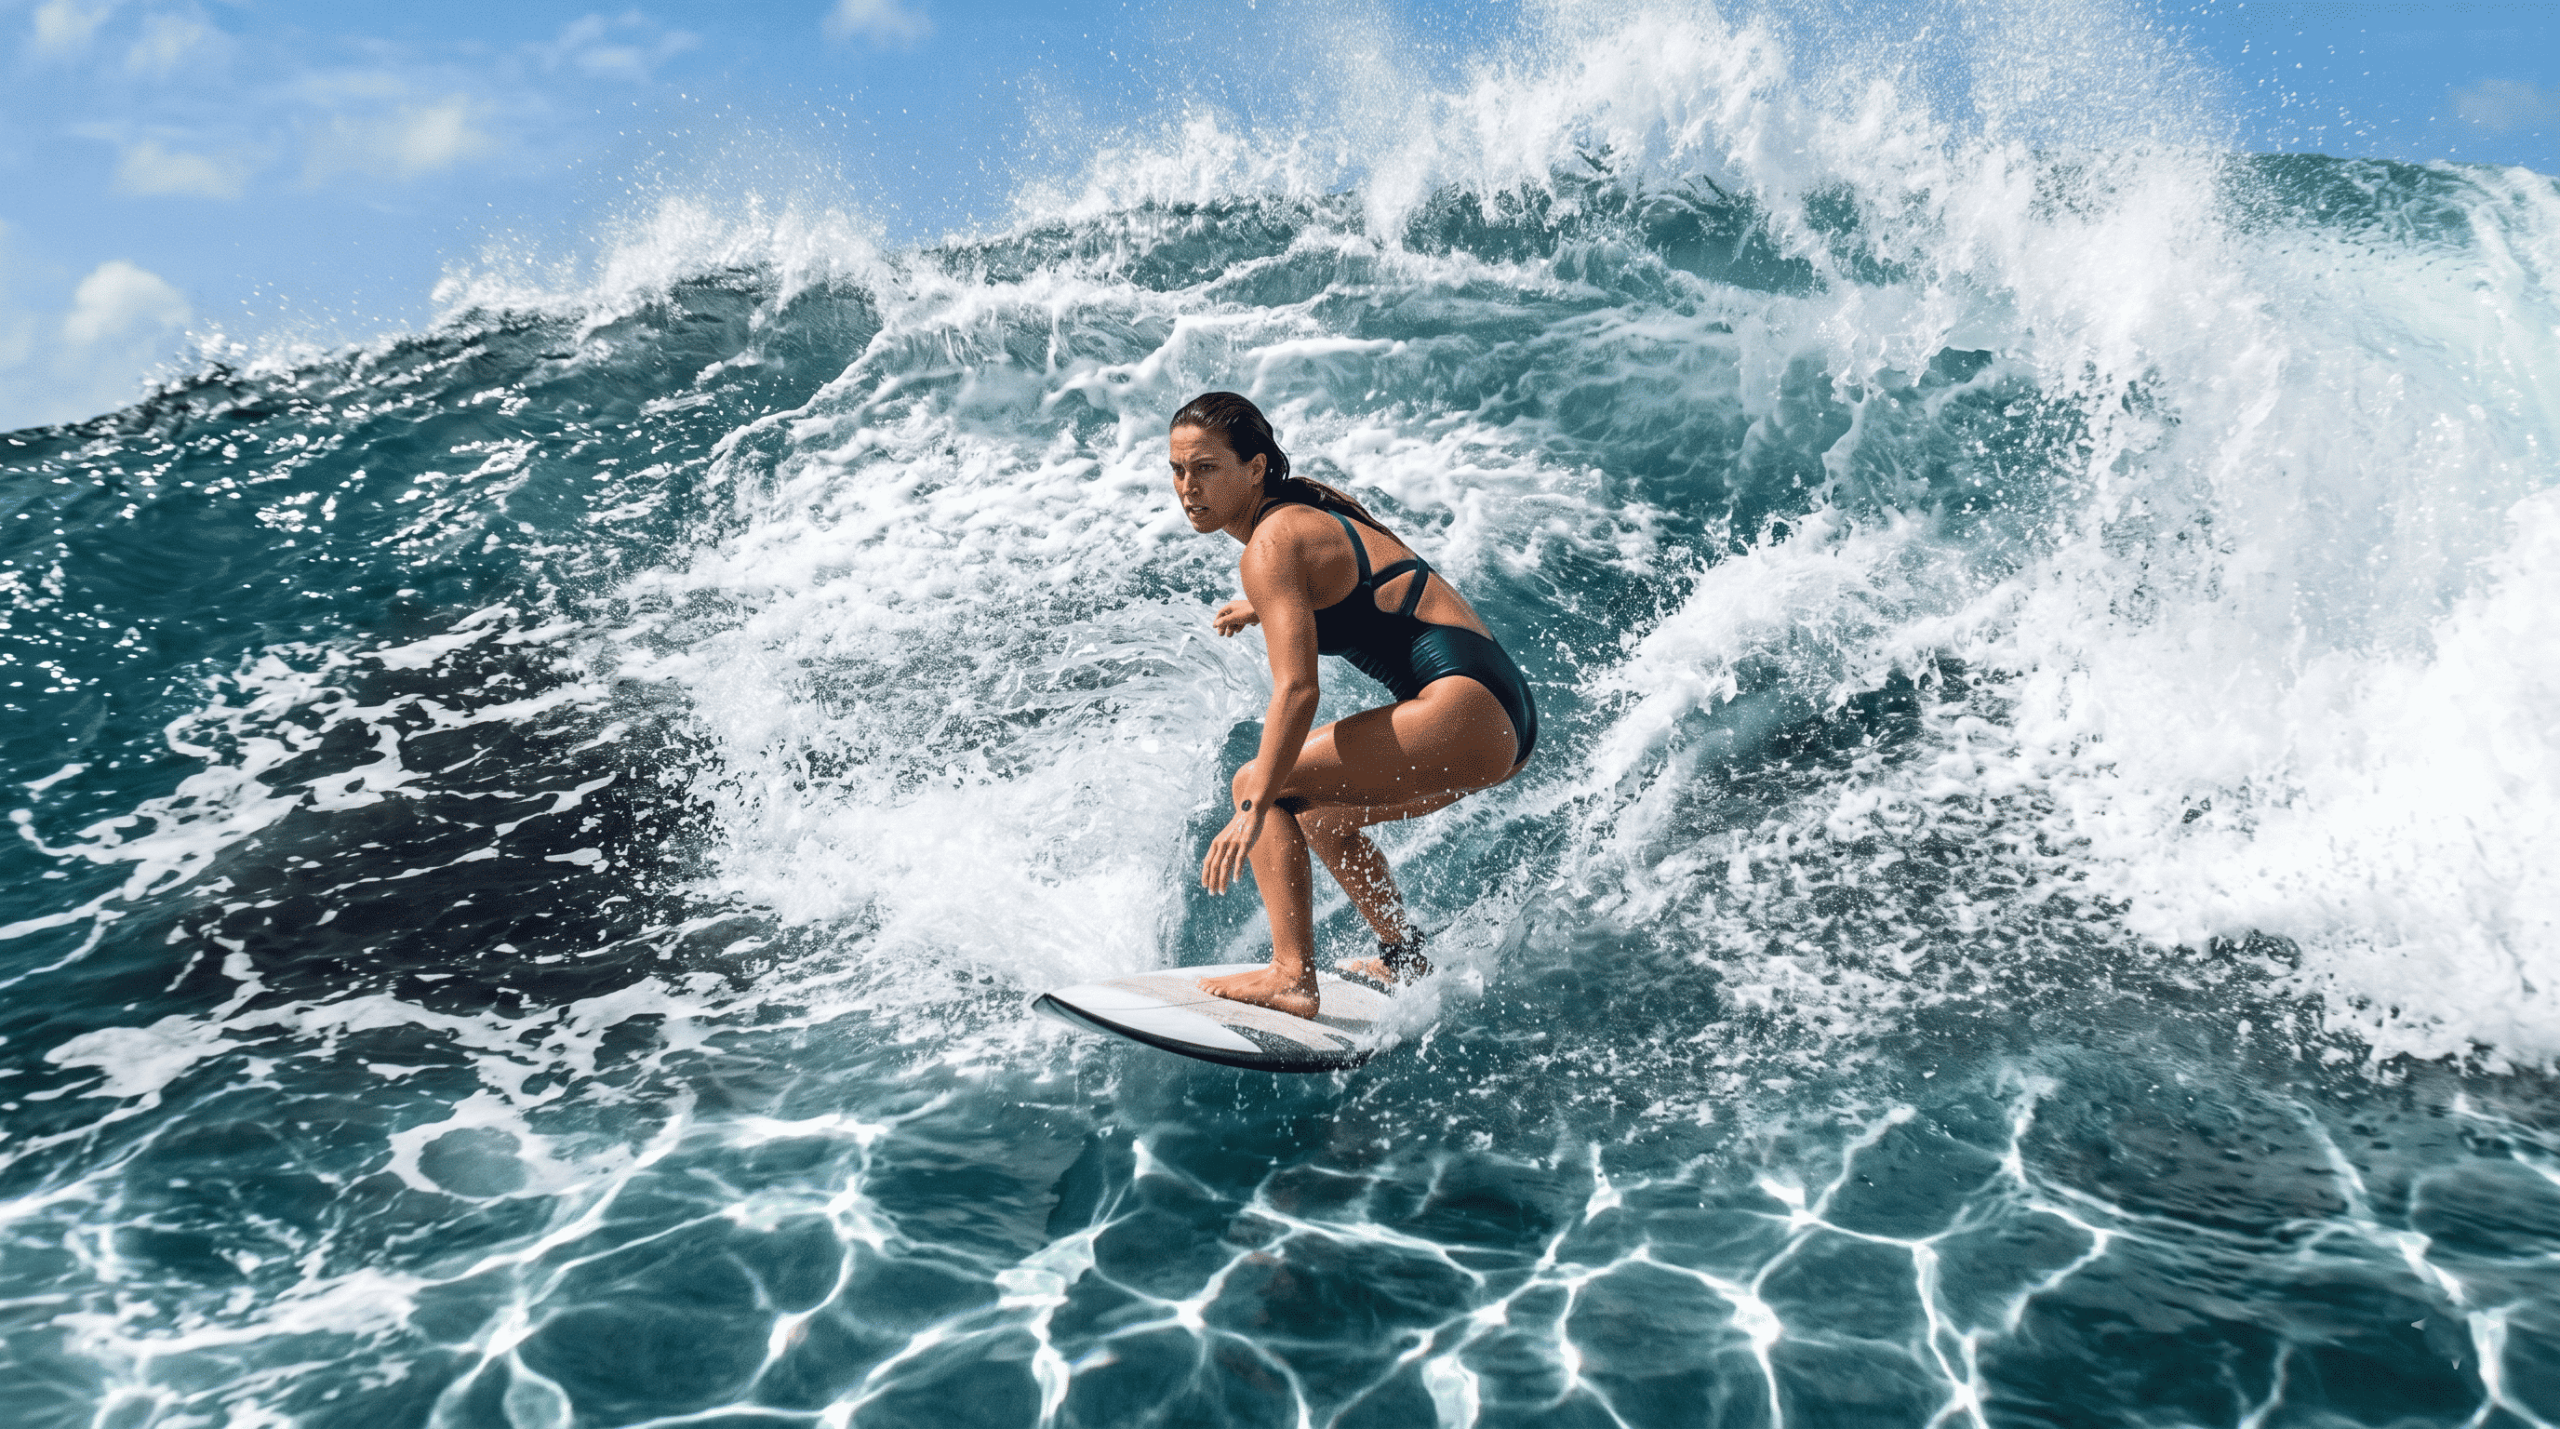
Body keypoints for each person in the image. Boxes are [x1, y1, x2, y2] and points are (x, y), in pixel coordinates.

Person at [1170, 392, 1538, 1018]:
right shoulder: (1304, 509)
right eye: (1178, 470)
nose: (1188, 487)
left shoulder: (1270, 546)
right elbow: (1352, 581)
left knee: (1258, 784)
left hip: (1462, 708)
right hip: (1499, 712)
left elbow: (1298, 690)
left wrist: (1252, 809)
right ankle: (1404, 955)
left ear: (1255, 469)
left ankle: (1291, 976)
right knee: (1323, 817)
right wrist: (1263, 606)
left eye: (1205, 468)